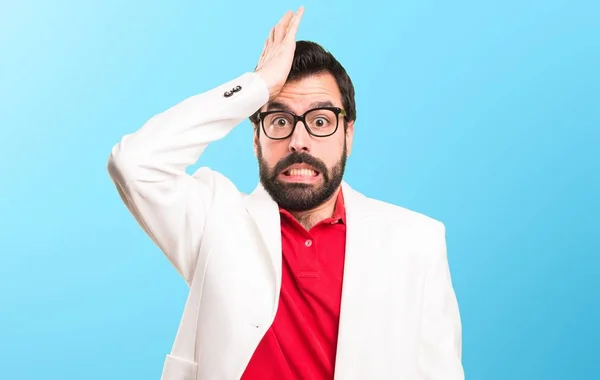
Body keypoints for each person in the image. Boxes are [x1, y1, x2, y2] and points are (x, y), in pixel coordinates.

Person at [107, 6, 464, 380]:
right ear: (256, 138)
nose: (300, 141)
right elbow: (134, 163)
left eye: (321, 121)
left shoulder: (416, 241)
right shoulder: (215, 221)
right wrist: (258, 85)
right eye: (279, 120)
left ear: (349, 135)